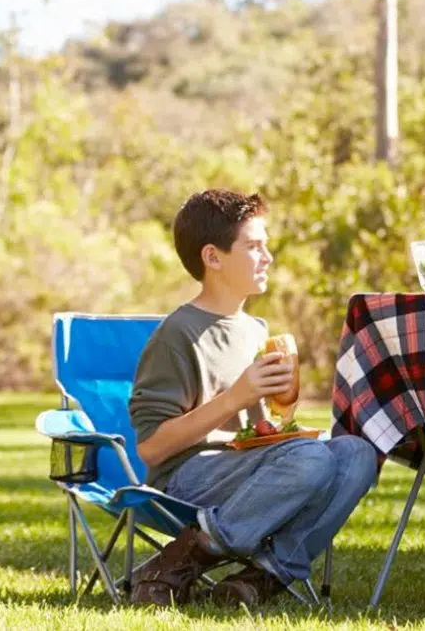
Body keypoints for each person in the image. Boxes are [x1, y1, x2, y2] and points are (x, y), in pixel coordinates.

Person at [125, 189, 378, 607]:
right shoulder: (178, 334)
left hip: (245, 468)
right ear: (214, 257)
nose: (268, 257)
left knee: (357, 454)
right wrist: (235, 396)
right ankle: (185, 556)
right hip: (185, 477)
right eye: (254, 246)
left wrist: (279, 415)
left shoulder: (256, 330)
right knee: (311, 458)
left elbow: (258, 431)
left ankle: (264, 576)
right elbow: (152, 448)